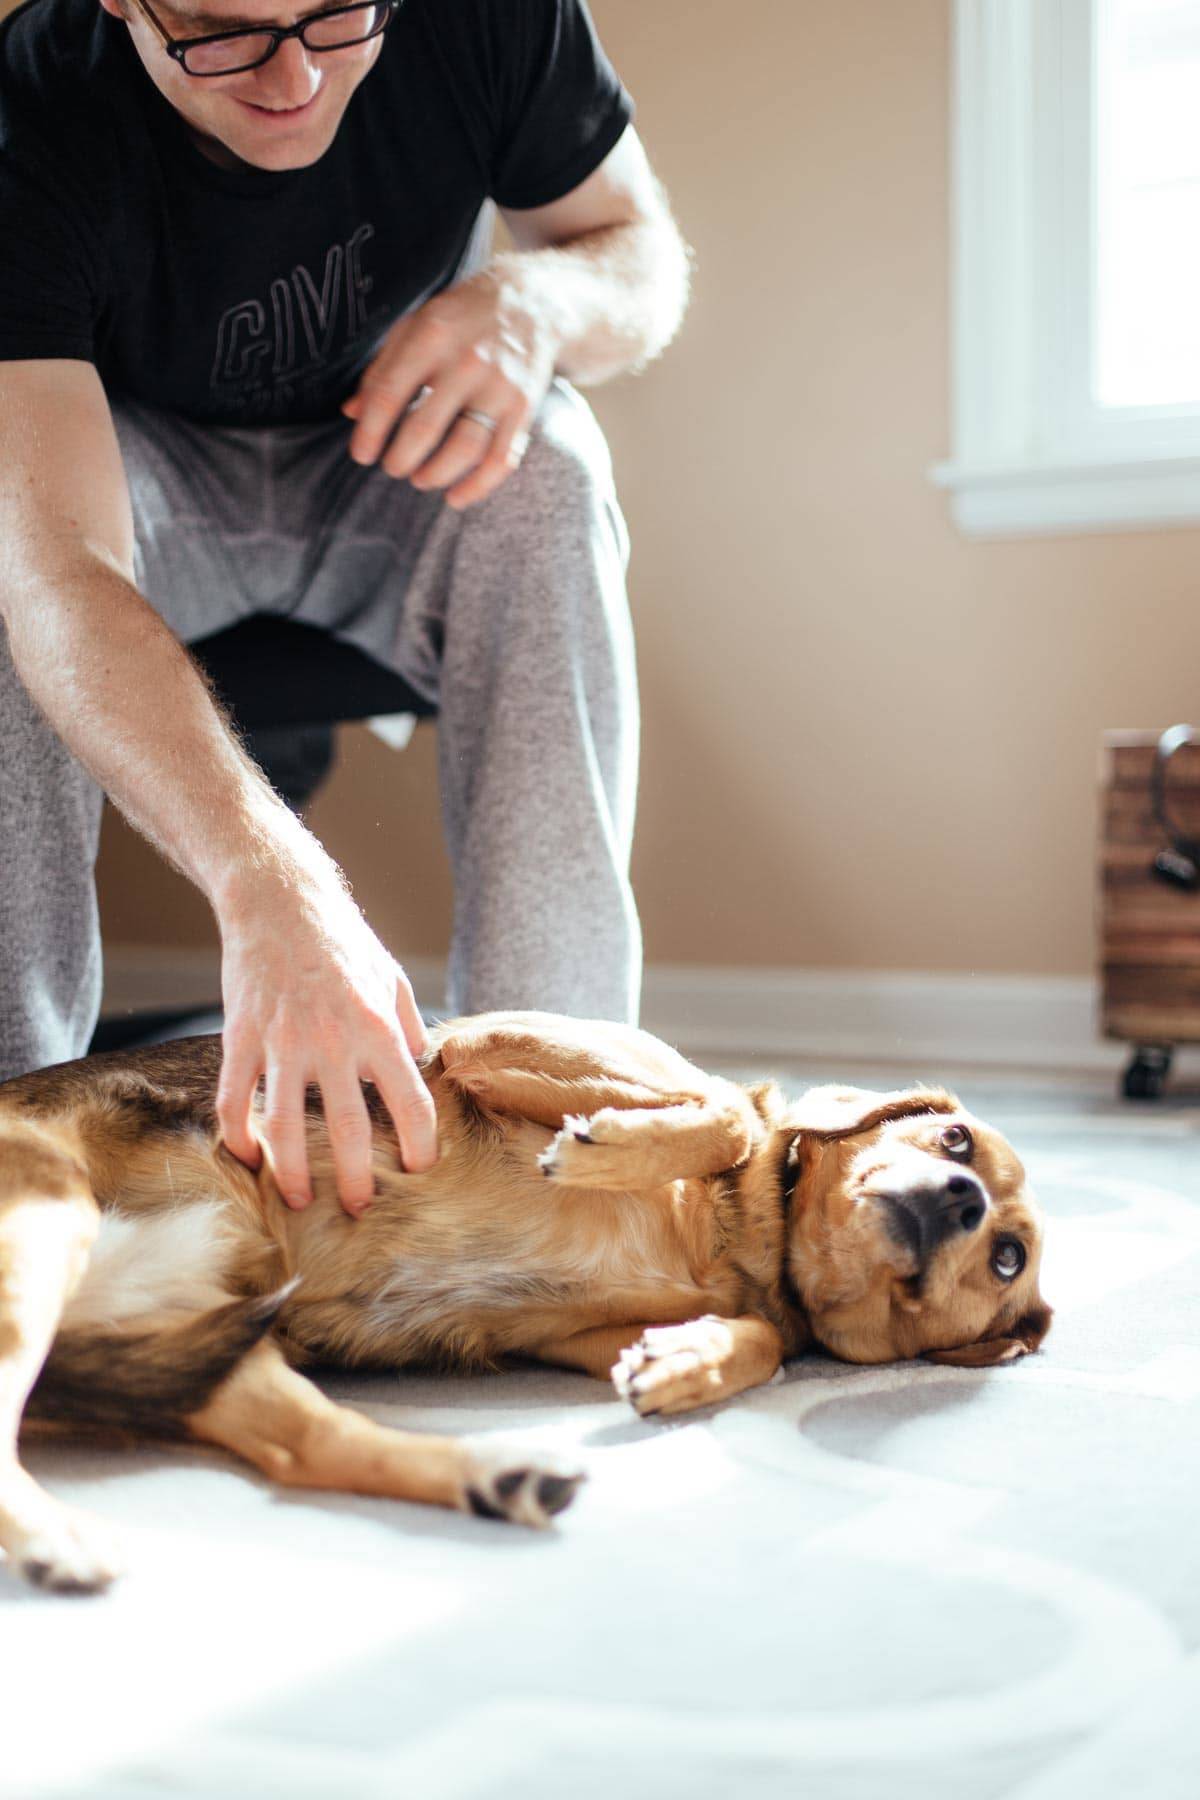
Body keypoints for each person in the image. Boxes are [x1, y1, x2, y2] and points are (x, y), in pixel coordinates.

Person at [0, 0, 689, 1215]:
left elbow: (636, 249)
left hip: (392, 462)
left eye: (337, 13)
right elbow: (62, 569)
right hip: (136, 475)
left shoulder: (488, 19)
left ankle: (560, 1125)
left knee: (553, 477)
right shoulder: (25, 116)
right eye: (223, 30)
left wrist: (537, 301)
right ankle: (20, 1149)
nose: (296, 74)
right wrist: (274, 887)